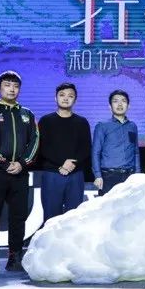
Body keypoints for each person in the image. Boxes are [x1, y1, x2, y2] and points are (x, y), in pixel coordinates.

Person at [0, 71, 39, 274]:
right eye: (7, 85)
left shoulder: (27, 114)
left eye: (15, 85)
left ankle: (15, 258)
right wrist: (3, 163)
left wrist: (22, 163)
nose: (11, 89)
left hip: (20, 173)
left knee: (18, 217)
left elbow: (35, 141)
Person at [38, 83, 91, 223]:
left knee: (74, 219)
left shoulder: (82, 122)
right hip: (52, 174)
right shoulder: (46, 120)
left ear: (75, 99)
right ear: (55, 98)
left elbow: (85, 148)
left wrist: (71, 164)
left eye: (70, 96)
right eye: (62, 95)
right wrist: (62, 164)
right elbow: (43, 147)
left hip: (75, 174)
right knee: (51, 218)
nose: (66, 98)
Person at [92, 90, 141, 196]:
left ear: (128, 106)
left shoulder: (132, 126)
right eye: (115, 101)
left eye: (123, 101)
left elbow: (135, 151)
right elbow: (96, 152)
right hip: (109, 176)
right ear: (110, 106)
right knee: (108, 206)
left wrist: (137, 174)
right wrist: (97, 175)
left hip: (130, 176)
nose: (119, 104)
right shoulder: (102, 126)